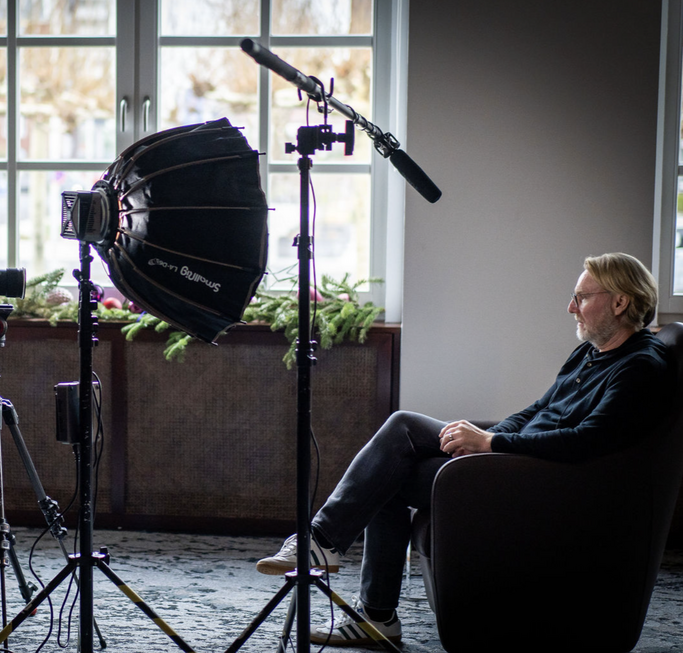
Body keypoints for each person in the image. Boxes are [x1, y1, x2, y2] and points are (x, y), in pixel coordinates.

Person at [256, 252, 671, 647]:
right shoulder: (591, 353)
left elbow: (585, 442)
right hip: (511, 464)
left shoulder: (639, 368)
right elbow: (539, 409)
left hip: (538, 483)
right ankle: (372, 614)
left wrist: (492, 444)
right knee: (390, 469)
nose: (570, 307)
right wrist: (482, 439)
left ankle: (325, 543)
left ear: (620, 302)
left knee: (400, 432)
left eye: (581, 297)